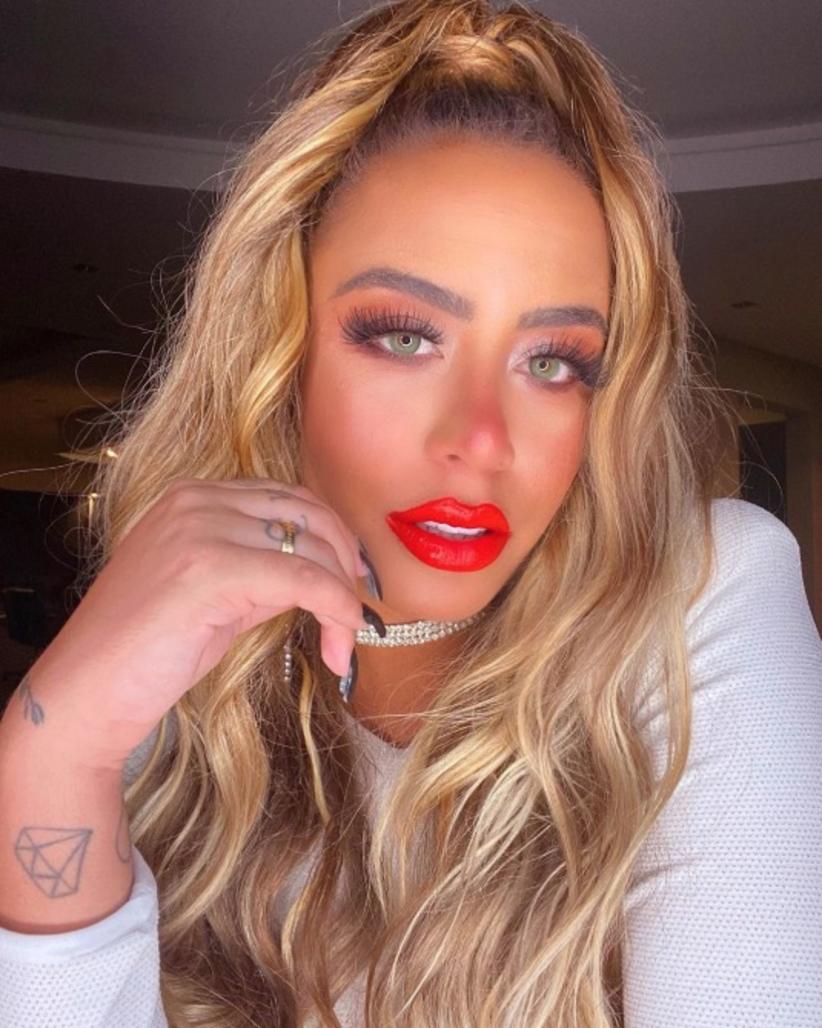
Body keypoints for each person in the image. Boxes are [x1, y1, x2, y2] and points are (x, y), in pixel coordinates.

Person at [0, 0, 820, 1025]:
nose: (481, 438)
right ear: (279, 345)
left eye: (553, 361)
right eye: (403, 336)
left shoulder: (699, 591)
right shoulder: (185, 658)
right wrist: (52, 751)